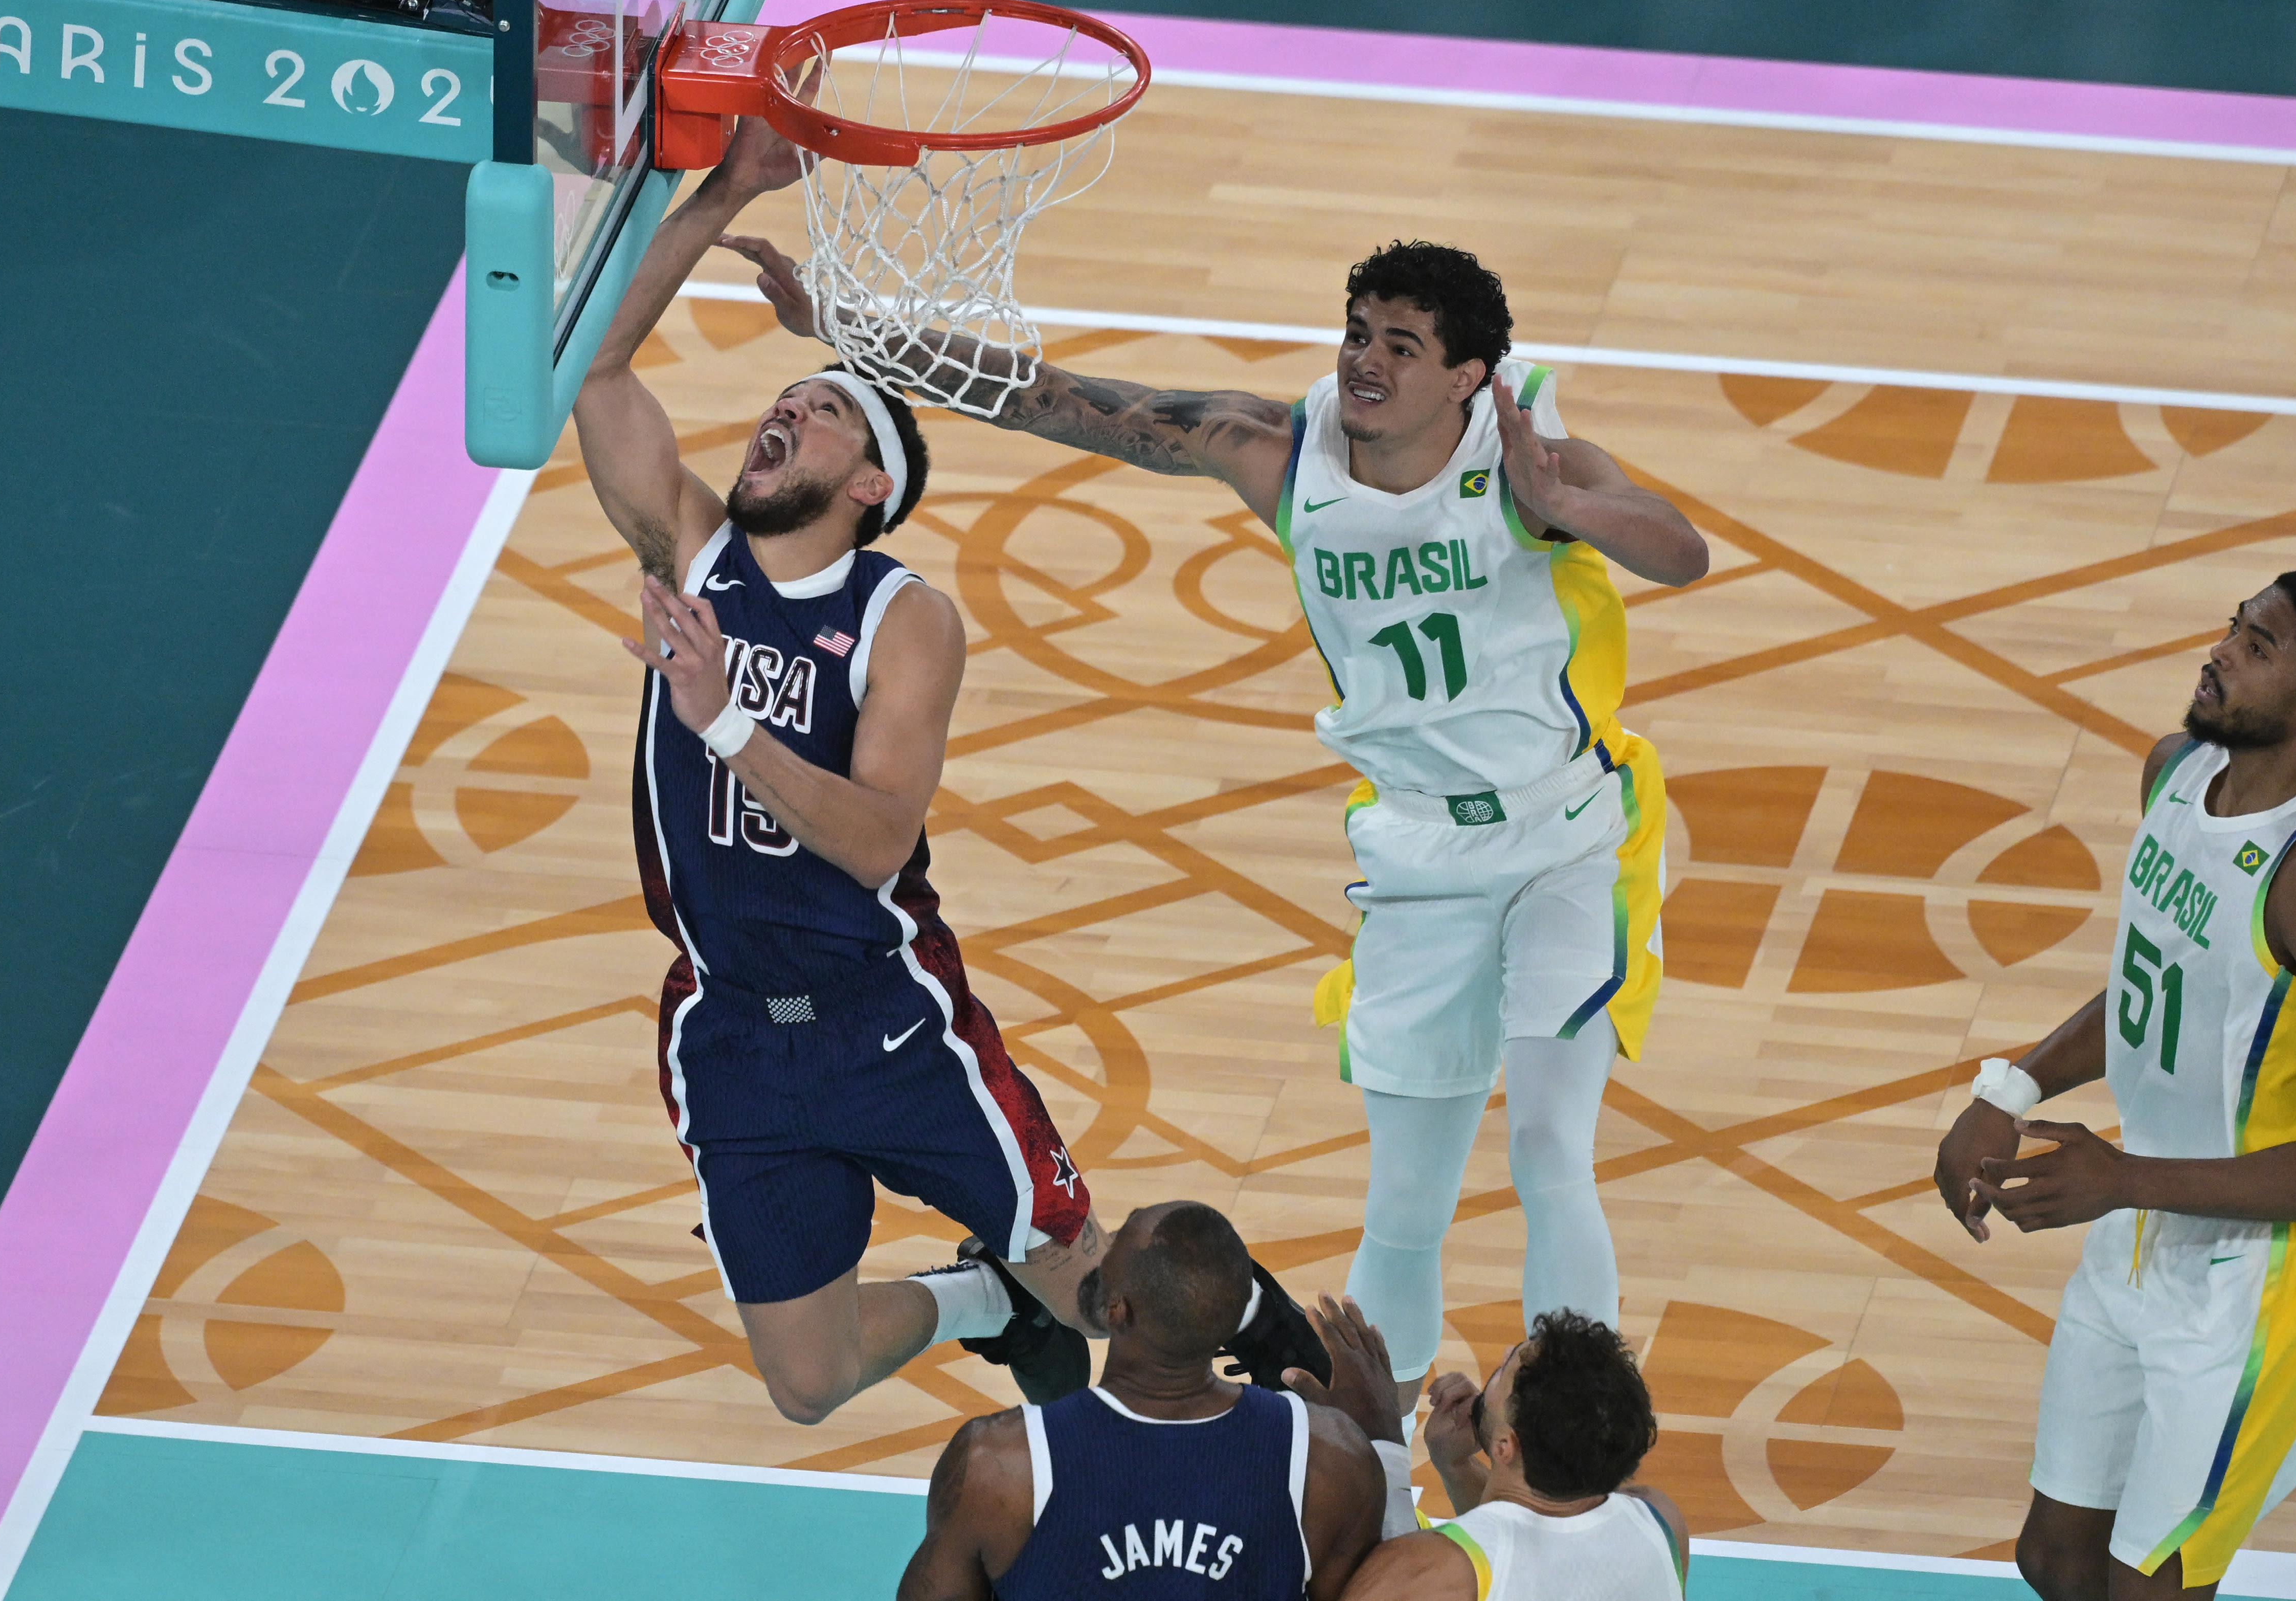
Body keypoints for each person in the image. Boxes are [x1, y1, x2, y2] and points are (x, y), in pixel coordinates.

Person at [726, 231, 1709, 1414]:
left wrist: (1563, 504)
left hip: (1564, 840)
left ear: (1464, 378)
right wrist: (848, 327)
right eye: (1357, 334)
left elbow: (1681, 553)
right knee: (1403, 1202)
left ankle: (1581, 1458)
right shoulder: (1279, 457)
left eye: (1401, 346)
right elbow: (1059, 403)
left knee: (1548, 1149)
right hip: (1414, 858)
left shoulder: (1524, 459)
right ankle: (1383, 1472)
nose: (1365, 362)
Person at [574, 117, 1326, 1427]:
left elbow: (872, 843)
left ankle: (1288, 1351)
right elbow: (595, 372)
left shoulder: (899, 615)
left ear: (867, 482)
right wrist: (720, 190)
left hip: (884, 1017)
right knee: (806, 1386)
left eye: (820, 413)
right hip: (731, 1025)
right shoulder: (693, 552)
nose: (785, 407)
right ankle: (980, 1301)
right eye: (781, 400)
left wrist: (720, 721)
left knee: (1100, 1296)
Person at [1933, 571, 2296, 1601]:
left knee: (2146, 1587)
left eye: (2259, 643)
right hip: (2143, 1216)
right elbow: (2163, 983)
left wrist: (2124, 1180)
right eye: (2232, 627)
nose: (2221, 651)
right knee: (2053, 1557)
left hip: (2265, 1276)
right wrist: (2006, 1087)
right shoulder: (2172, 772)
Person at [898, 1201, 1402, 1600]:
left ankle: (998, 1306)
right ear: (1231, 1323)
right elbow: (1408, 1589)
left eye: (1111, 1246)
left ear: (1112, 1308)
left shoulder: (997, 1463)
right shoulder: (1330, 1458)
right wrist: (1382, 1442)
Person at [1345, 1310, 1685, 1600]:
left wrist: (1382, 1445)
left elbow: (1498, 1555)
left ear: (1505, 1447)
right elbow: (1529, 1556)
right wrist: (1456, 1465)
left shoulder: (1430, 1568)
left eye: (1505, 1370)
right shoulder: (1658, 1519)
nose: (1507, 1351)